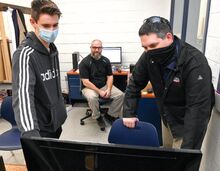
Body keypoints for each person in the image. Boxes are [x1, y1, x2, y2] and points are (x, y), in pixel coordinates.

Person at [123, 16, 215, 149]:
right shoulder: (149, 55)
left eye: (153, 45)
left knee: (180, 160)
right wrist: (129, 113)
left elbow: (197, 110)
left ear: (169, 37)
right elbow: (135, 83)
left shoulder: (194, 62)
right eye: (145, 47)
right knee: (167, 154)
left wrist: (187, 150)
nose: (149, 51)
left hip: (186, 123)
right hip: (167, 117)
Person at [12, 0, 67, 138]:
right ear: (33, 22)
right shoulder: (25, 54)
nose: (52, 30)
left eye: (55, 25)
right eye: (46, 25)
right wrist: (32, 137)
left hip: (55, 122)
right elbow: (23, 97)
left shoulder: (52, 49)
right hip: (40, 129)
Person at [79, 39, 124, 127]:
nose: (96, 50)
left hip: (103, 85)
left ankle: (110, 115)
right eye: (94, 47)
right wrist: (99, 91)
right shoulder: (84, 62)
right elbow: (85, 82)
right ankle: (97, 116)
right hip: (89, 87)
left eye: (99, 48)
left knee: (120, 95)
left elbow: (110, 76)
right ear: (90, 48)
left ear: (102, 48)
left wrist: (109, 89)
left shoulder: (106, 60)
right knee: (92, 97)